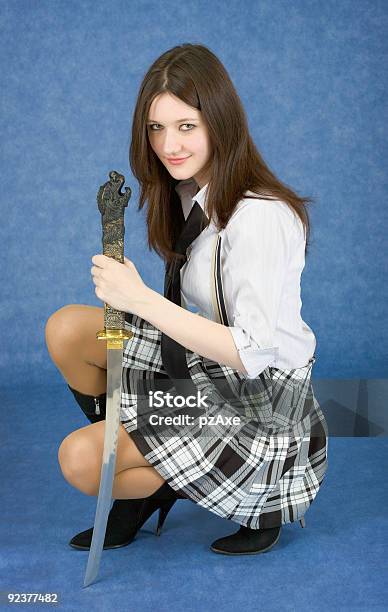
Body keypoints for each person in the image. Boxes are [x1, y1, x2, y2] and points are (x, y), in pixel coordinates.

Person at [45, 43, 328, 556]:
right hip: (206, 370)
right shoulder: (188, 190)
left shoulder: (260, 216)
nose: (169, 144)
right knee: (67, 328)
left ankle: (160, 478)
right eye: (156, 128)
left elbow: (252, 352)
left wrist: (141, 300)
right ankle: (156, 465)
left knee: (81, 461)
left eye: (186, 126)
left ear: (219, 121)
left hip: (260, 402)